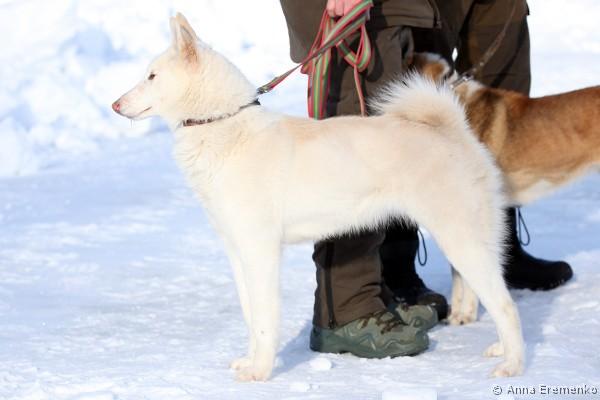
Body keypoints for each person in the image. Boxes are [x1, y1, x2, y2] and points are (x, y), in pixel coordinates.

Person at [278, 0, 573, 359]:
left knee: (428, 137)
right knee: (373, 155)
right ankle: (351, 306)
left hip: (400, 10)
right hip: (361, 13)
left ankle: (379, 291)